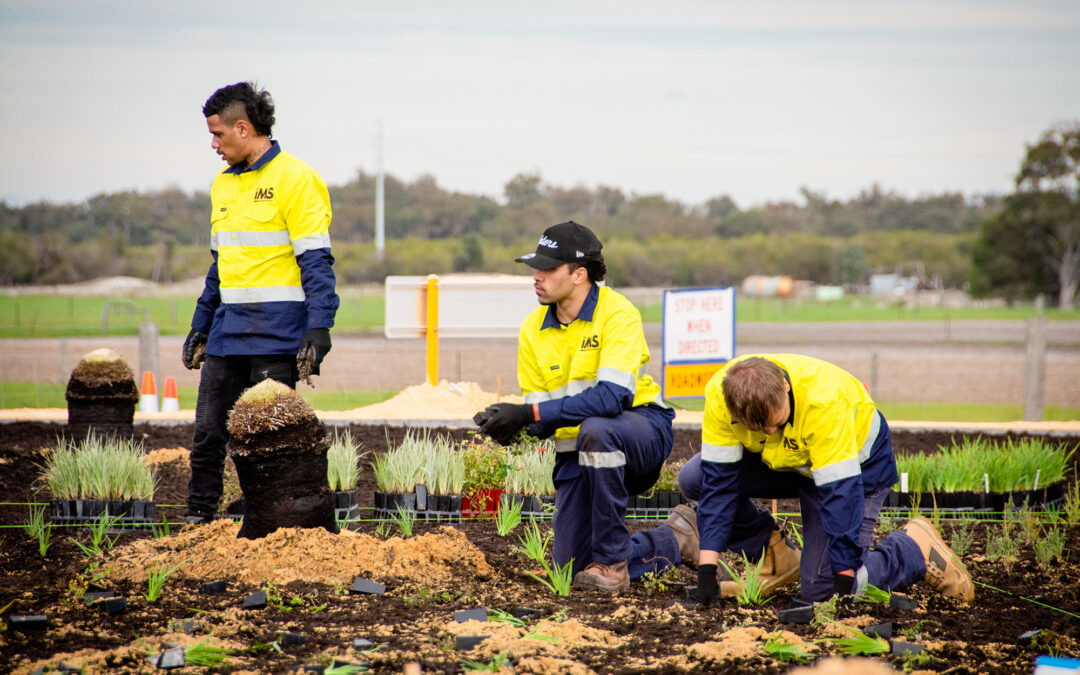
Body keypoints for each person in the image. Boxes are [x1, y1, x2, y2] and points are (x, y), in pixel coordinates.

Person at [473, 221, 699, 592]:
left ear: (580, 274)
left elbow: (612, 398)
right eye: (535, 268)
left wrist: (529, 414)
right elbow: (541, 413)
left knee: (597, 427)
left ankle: (612, 564)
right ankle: (675, 539)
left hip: (639, 434)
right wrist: (510, 426)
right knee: (571, 570)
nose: (537, 276)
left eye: (548, 268)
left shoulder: (617, 314)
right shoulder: (533, 328)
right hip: (579, 451)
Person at [680, 354, 974, 605]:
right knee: (697, 479)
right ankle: (775, 556)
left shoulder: (823, 403)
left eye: (776, 421)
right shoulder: (722, 397)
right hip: (789, 461)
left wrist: (843, 578)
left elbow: (840, 496)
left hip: (854, 470)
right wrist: (707, 572)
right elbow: (719, 485)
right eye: (759, 427)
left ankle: (911, 548)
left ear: (785, 386)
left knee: (823, 591)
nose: (769, 431)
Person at [182, 81, 339, 524]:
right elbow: (219, 266)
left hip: (278, 334)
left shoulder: (297, 178)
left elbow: (317, 263)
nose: (214, 145)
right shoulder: (222, 185)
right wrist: (201, 324)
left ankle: (275, 525)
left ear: (244, 128)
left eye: (219, 135)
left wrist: (319, 327)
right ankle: (199, 521)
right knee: (208, 433)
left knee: (272, 442)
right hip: (227, 333)